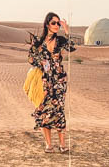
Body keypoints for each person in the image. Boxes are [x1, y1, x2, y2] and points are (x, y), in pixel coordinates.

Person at [27, 12, 77, 152]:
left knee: (59, 110)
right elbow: (30, 58)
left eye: (58, 23)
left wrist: (67, 30)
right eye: (54, 23)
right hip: (45, 80)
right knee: (45, 111)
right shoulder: (38, 41)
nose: (56, 26)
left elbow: (71, 47)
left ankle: (62, 145)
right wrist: (41, 62)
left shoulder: (60, 40)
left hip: (59, 79)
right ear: (47, 24)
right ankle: (49, 145)